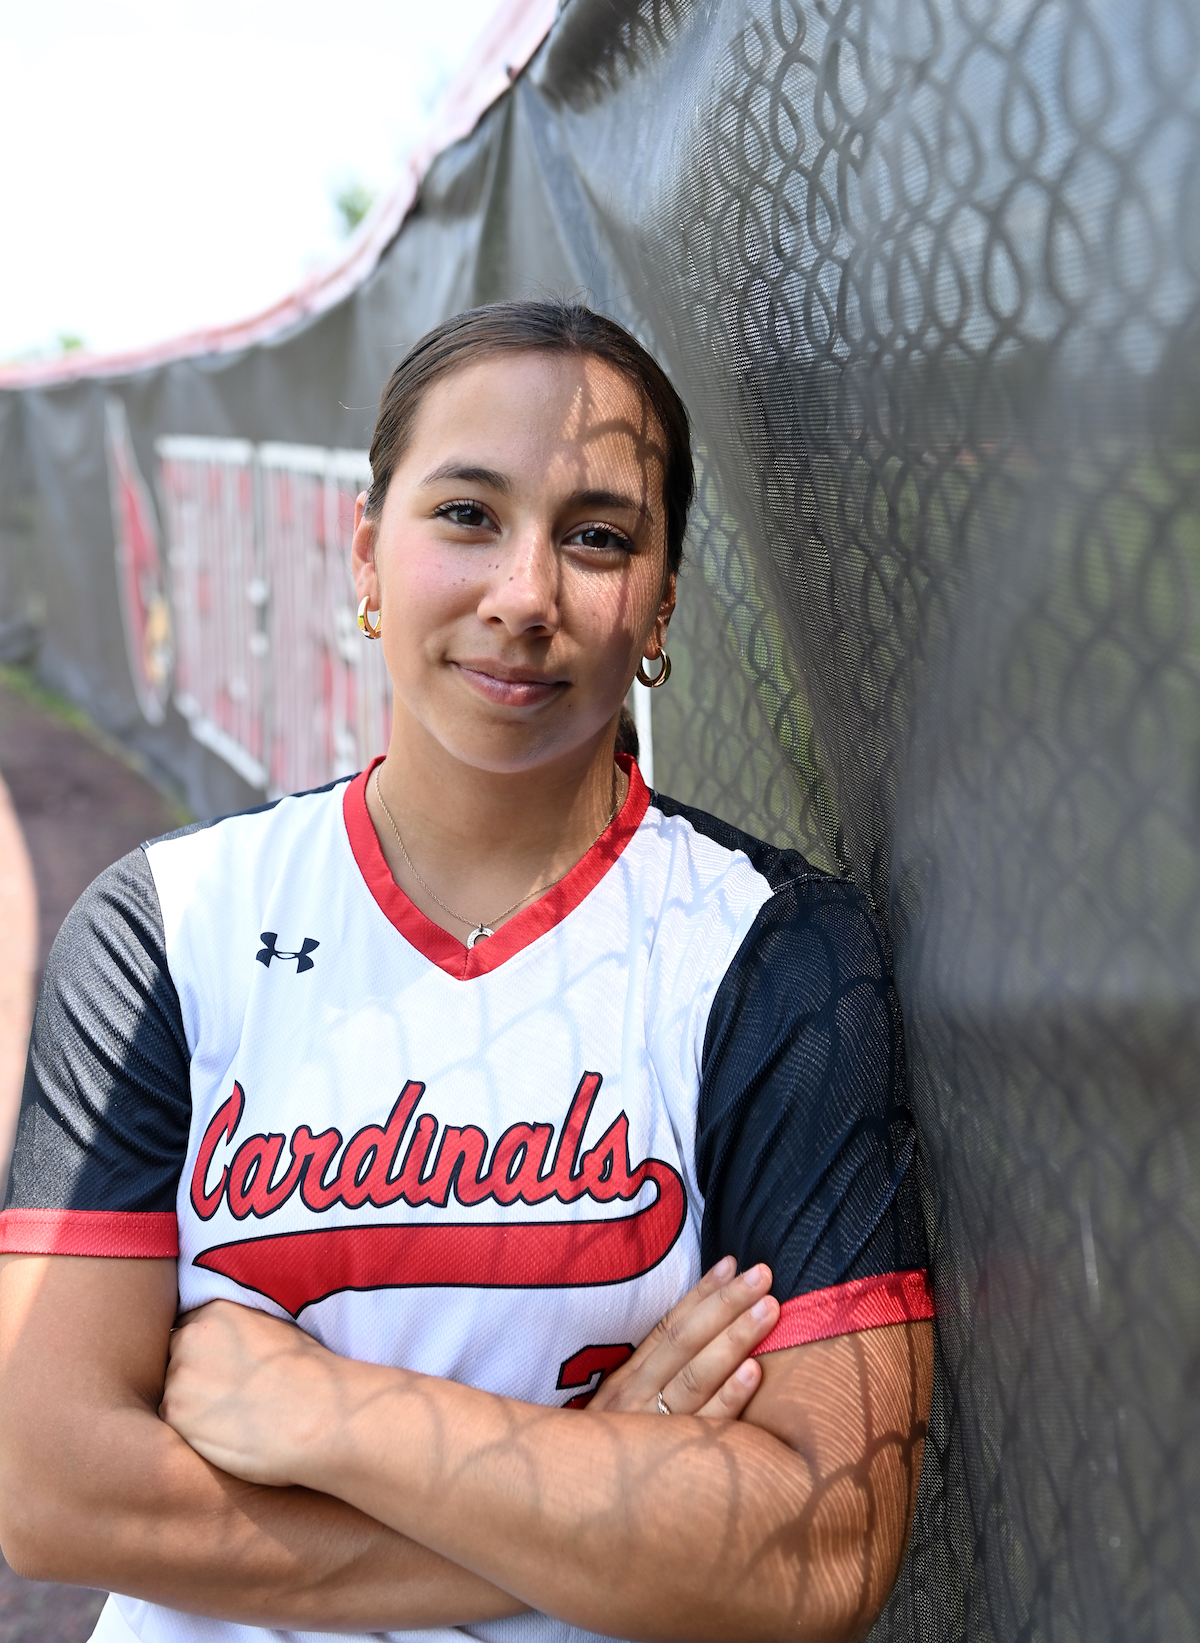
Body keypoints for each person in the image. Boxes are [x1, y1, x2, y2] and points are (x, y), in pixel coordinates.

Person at [0, 301, 933, 1643]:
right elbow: (56, 1492)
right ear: (367, 556)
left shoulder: (773, 953)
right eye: (467, 516)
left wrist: (338, 1419)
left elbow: (823, 1540)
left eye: (598, 537)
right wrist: (596, 1484)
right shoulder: (168, 929)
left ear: (661, 603)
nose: (524, 596)